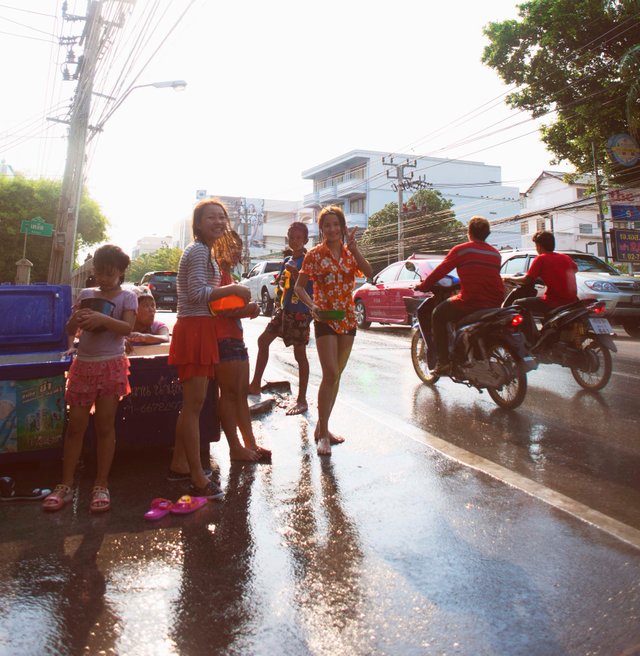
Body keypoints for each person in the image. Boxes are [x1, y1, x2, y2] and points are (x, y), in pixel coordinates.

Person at [168, 199, 256, 500]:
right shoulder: (198, 251)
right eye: (211, 217)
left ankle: (182, 464)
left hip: (202, 328)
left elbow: (205, 296)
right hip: (194, 328)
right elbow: (195, 294)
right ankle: (196, 476)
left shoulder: (206, 252)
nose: (218, 222)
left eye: (222, 217)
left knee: (194, 404)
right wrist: (233, 290)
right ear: (198, 223)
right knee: (193, 406)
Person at [42, 244, 137, 513]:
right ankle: (66, 484)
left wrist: (101, 318)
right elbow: (70, 329)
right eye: (100, 272)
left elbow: (127, 328)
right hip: (83, 365)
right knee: (76, 427)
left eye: (109, 273)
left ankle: (101, 484)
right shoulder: (85, 294)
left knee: (105, 427)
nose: (104, 278)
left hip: (112, 366)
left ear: (120, 272)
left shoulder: (128, 297)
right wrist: (77, 319)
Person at [294, 205, 373, 456]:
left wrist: (356, 248)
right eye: (326, 225)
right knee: (329, 373)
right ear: (321, 229)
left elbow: (369, 273)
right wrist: (312, 306)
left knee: (336, 375)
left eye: (335, 224)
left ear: (342, 227)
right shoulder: (314, 255)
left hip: (348, 319)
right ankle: (323, 435)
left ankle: (323, 427)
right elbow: (299, 288)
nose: (331, 229)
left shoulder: (351, 255)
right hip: (325, 318)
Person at [415, 215, 505, 375]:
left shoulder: (462, 250)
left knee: (438, 314)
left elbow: (440, 271)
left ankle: (443, 362)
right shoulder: (495, 254)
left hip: (471, 301)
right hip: (496, 302)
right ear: (487, 234)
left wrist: (423, 285)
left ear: (469, 232)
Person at [211, 229, 271, 460]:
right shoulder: (216, 273)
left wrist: (248, 310)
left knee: (239, 396)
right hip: (222, 340)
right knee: (228, 395)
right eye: (231, 246)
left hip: (234, 339)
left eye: (238, 247)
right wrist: (247, 309)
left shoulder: (226, 274)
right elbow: (216, 306)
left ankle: (250, 444)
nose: (236, 252)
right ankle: (236, 447)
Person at [248, 222, 313, 415]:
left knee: (300, 355)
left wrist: (295, 275)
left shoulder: (308, 261)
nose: (294, 241)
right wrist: (281, 280)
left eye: (298, 238)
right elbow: (284, 285)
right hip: (284, 310)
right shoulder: (287, 260)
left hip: (300, 311)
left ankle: (301, 399)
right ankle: (255, 384)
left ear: (305, 240)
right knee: (263, 341)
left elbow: (309, 287)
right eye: (291, 237)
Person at [503, 230, 578, 342]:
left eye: (536, 245)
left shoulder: (541, 259)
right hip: (572, 301)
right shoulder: (565, 258)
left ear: (539, 246)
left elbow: (526, 279)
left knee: (518, 304)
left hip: (553, 301)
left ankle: (531, 338)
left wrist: (509, 278)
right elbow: (575, 269)